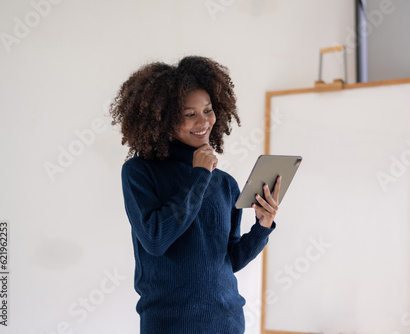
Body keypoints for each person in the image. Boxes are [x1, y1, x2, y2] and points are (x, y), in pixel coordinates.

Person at [109, 56, 282, 333]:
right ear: (163, 120)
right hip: (169, 324)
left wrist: (262, 226)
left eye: (208, 110)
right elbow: (155, 239)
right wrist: (199, 176)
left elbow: (229, 260)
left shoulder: (225, 183)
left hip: (227, 322)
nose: (203, 122)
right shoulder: (139, 172)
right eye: (189, 114)